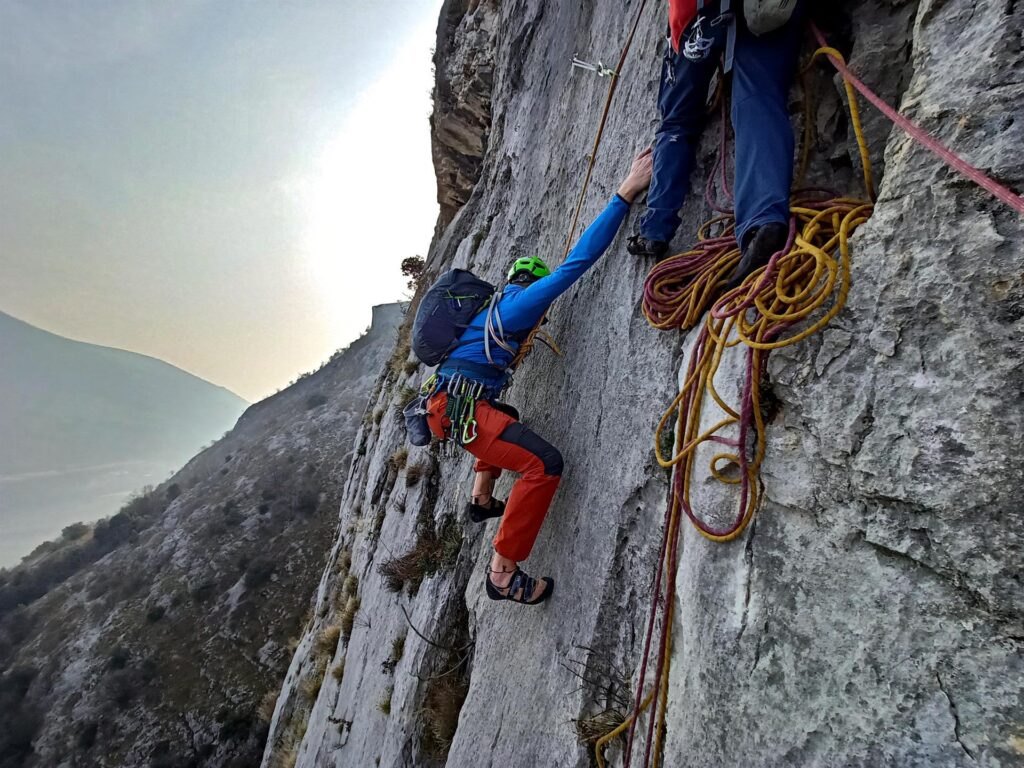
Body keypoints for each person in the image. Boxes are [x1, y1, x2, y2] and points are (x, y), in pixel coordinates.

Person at [424, 150, 654, 606]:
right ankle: (502, 575)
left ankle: (482, 498)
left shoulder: (490, 312)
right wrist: (625, 192)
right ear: (531, 286)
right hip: (459, 409)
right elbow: (577, 263)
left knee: (505, 415)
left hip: (455, 404)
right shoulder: (518, 307)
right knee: (543, 464)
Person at [627, 0, 806, 289]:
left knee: (676, 122)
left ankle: (655, 230)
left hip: (701, 12)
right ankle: (763, 221)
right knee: (758, 95)